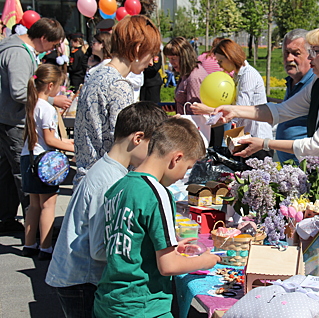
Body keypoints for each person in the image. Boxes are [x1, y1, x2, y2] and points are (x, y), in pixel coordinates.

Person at [46, 102, 167, 318]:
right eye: (154, 146)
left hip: (80, 277)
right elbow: (100, 249)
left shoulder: (109, 171)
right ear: (138, 138)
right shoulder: (110, 182)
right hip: (82, 280)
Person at [93, 116, 220, 317]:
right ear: (176, 158)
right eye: (187, 168)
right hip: (143, 306)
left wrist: (170, 246)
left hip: (110, 302)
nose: (182, 176)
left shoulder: (119, 186)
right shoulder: (157, 193)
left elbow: (128, 242)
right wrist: (206, 261)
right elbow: (168, 265)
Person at [211, 27, 319, 176]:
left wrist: (265, 143)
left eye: (315, 51)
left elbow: (315, 146)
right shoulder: (318, 86)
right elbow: (281, 111)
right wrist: (234, 111)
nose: (310, 57)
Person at [0, 17, 71, 233]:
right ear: (43, 38)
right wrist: (51, 100)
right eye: (52, 44)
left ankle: (7, 217)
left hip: (8, 117)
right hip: (13, 120)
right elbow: (20, 91)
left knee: (7, 173)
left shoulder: (18, 49)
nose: (51, 50)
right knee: (24, 172)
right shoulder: (19, 53)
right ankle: (37, 228)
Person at [74, 15, 161, 187]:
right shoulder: (119, 86)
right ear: (137, 48)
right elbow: (127, 146)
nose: (151, 62)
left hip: (87, 179)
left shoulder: (95, 74)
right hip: (107, 184)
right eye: (151, 55)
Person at [20, 64, 75, 260]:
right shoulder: (47, 108)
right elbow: (50, 140)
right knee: (48, 206)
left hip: (29, 157)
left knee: (33, 205)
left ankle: (29, 244)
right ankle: (45, 246)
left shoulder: (32, 104)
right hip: (45, 162)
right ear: (50, 85)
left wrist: (64, 142)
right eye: (59, 86)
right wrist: (73, 147)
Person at [192, 39, 273, 159]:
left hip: (257, 138)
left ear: (230, 57)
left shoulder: (248, 75)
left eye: (220, 61)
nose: (219, 65)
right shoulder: (237, 75)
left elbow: (240, 110)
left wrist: (208, 110)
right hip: (245, 135)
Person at [275, 29, 315, 163]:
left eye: (296, 53)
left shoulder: (314, 84)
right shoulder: (292, 81)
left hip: (305, 165)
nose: (289, 58)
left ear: (310, 55)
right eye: (286, 53)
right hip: (289, 167)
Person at [163, 37, 208, 115]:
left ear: (184, 57)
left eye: (173, 58)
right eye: (169, 58)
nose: (171, 62)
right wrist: (176, 106)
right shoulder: (186, 73)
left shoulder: (194, 78)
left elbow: (195, 111)